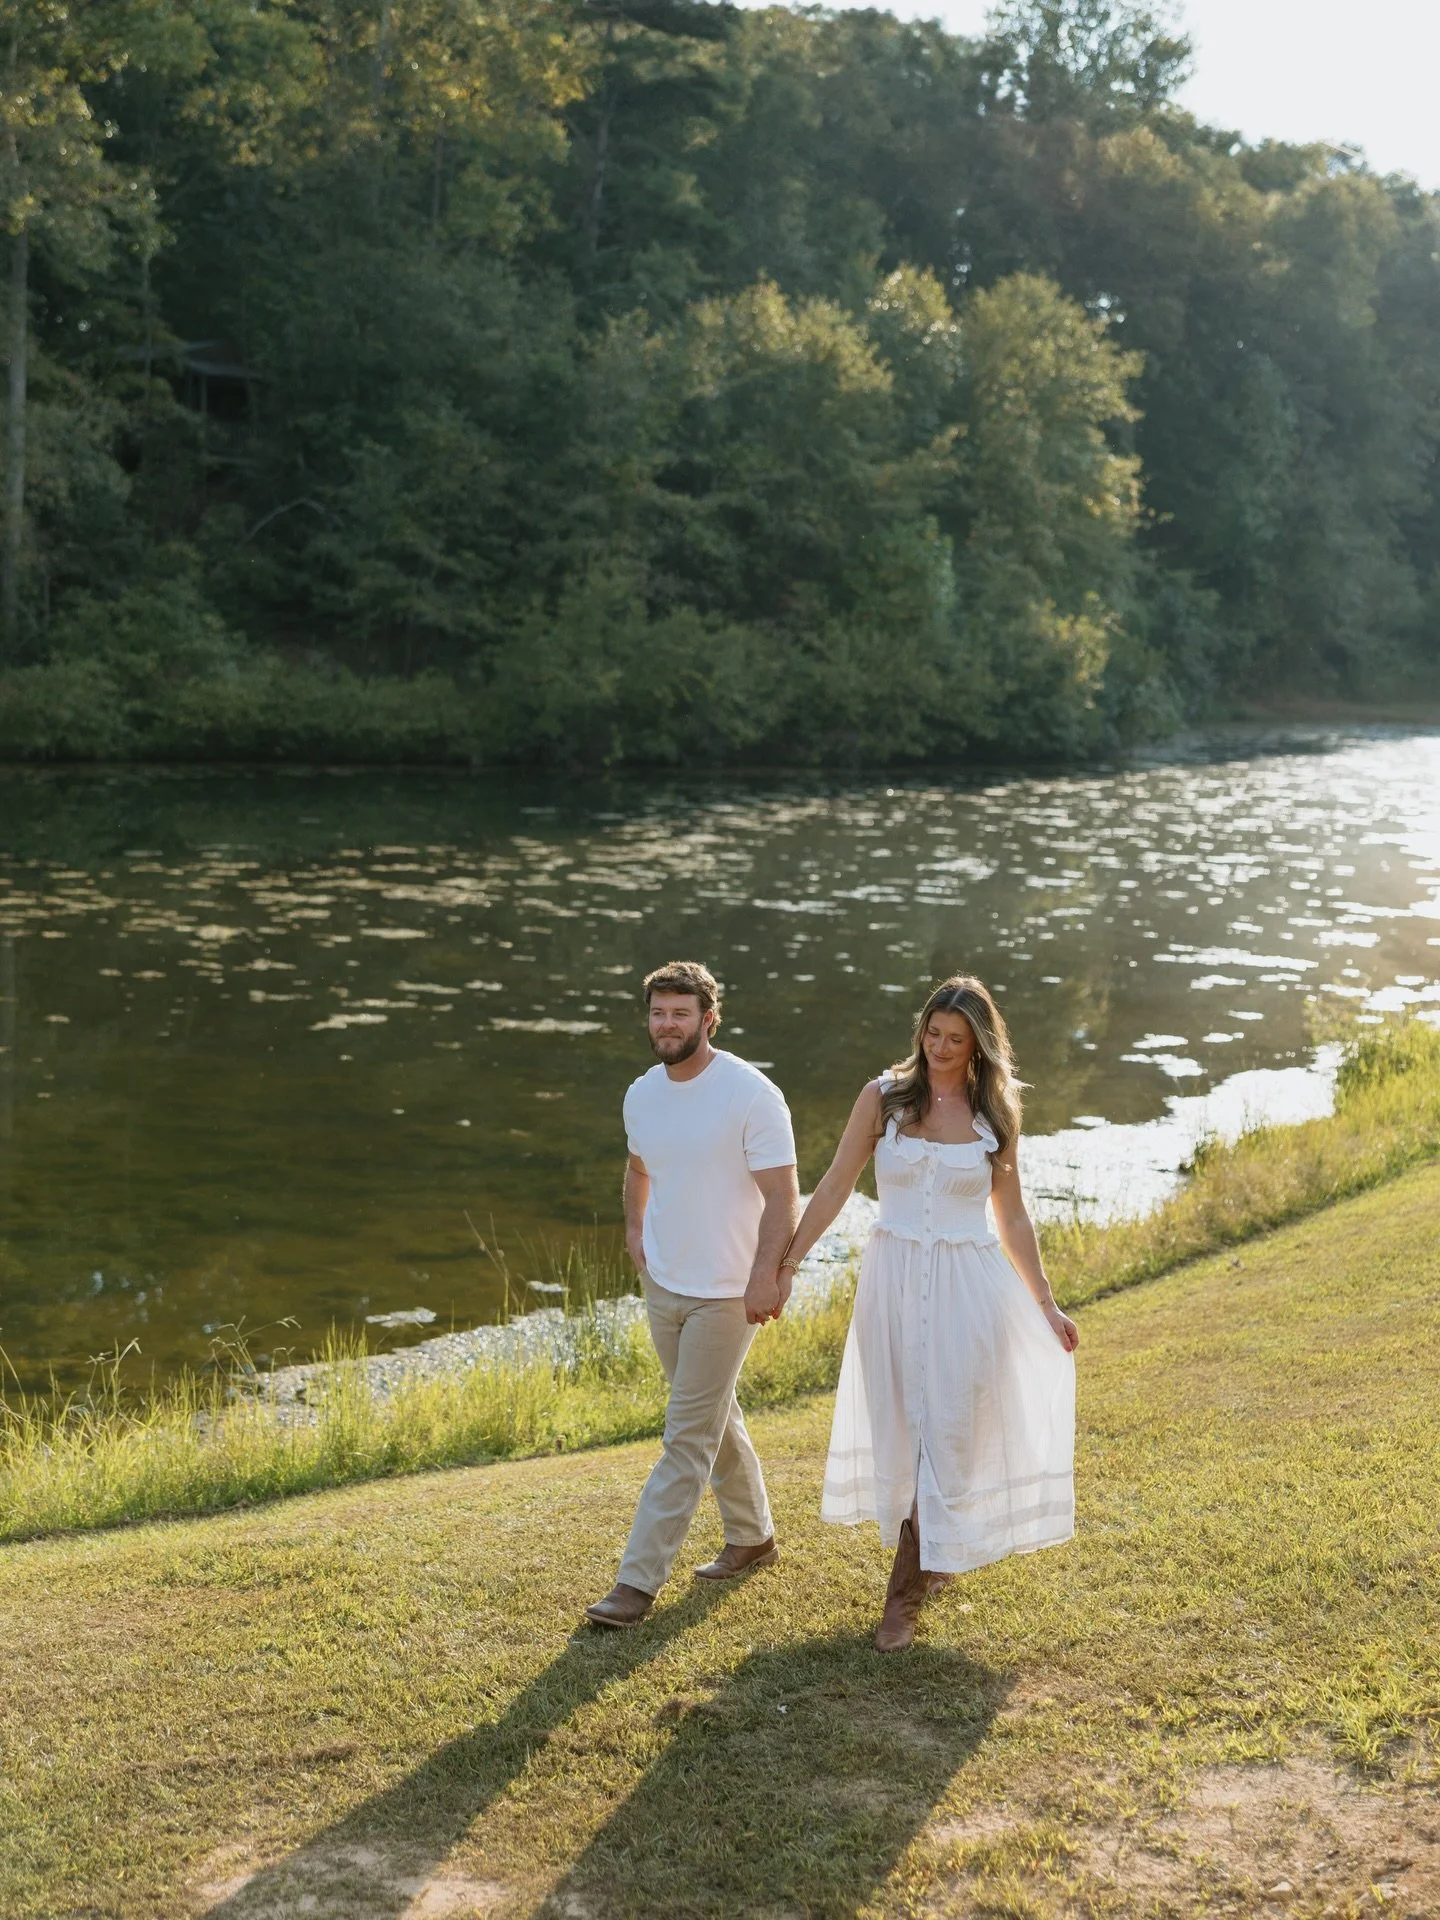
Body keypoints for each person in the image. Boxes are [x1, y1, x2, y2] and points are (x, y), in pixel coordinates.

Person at [776, 974, 1078, 1652]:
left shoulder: (992, 1114)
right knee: (905, 1422)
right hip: (894, 1275)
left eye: (955, 1039)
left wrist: (1046, 1302)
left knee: (950, 1424)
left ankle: (904, 1593)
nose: (940, 1048)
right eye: (933, 1034)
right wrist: (790, 1260)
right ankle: (934, 1551)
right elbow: (834, 1184)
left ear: (979, 1045)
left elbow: (1013, 1216)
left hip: (969, 1284)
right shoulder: (882, 1099)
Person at [585, 960, 800, 1629]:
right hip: (665, 1282)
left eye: (681, 1013)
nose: (667, 1025)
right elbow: (639, 1166)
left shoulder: (749, 1094)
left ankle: (635, 1584)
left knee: (684, 1435)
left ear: (709, 1018)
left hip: (726, 1293)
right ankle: (753, 1536)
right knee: (710, 1414)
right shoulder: (643, 1094)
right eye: (658, 1013)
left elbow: (782, 1195)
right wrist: (633, 1230)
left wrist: (769, 1275)